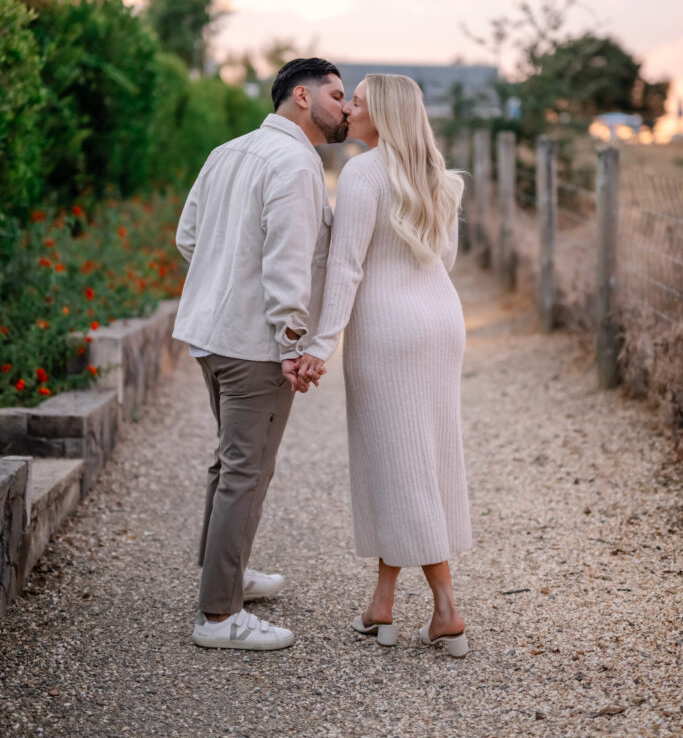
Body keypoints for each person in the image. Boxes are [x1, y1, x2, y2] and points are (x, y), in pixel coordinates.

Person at [173, 58, 347, 651]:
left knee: (230, 464)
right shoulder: (297, 163)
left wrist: (221, 282)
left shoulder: (228, 150)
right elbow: (287, 265)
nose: (346, 108)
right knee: (246, 471)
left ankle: (225, 572)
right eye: (337, 95)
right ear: (301, 96)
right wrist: (293, 342)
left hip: (210, 335)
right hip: (254, 345)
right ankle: (218, 617)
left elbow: (188, 236)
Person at [298, 74, 472, 658]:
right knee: (418, 455)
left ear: (384, 116)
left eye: (358, 102)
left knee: (402, 463)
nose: (347, 107)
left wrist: (320, 344)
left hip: (388, 331)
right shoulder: (439, 177)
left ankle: (447, 609)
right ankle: (382, 605)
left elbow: (346, 267)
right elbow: (442, 258)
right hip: (442, 323)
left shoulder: (362, 173)